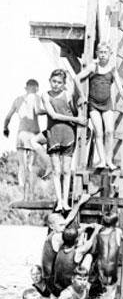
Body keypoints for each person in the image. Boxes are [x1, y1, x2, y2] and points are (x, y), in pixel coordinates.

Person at [30, 69, 86, 212]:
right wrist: (76, 120)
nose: (56, 85)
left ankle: (66, 201)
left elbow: (76, 107)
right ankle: (59, 201)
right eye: (54, 81)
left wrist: (80, 104)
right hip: (53, 134)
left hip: (68, 135)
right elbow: (53, 115)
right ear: (49, 81)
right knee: (56, 170)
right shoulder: (45, 96)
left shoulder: (67, 94)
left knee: (67, 170)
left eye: (59, 82)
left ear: (63, 84)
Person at [76, 42, 123, 170]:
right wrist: (82, 95)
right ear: (97, 54)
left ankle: (109, 160)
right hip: (93, 104)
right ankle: (102, 160)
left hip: (106, 103)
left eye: (105, 52)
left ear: (110, 54)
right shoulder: (93, 67)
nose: (103, 55)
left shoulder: (112, 69)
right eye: (101, 52)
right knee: (98, 132)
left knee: (110, 131)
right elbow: (76, 78)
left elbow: (120, 89)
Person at [39, 193, 91, 292]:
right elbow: (74, 235)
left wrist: (80, 203)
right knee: (85, 254)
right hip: (51, 281)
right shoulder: (57, 237)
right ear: (52, 226)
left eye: (64, 225)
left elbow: (69, 218)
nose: (64, 227)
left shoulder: (57, 230)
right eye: (61, 225)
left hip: (49, 278)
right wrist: (86, 228)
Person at [3, 79, 43, 200]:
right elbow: (38, 111)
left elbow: (7, 117)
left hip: (21, 133)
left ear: (26, 88)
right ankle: (30, 195)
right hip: (33, 134)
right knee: (31, 166)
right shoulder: (37, 97)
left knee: (22, 166)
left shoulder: (18, 100)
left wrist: (5, 128)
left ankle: (24, 196)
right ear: (37, 88)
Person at [51, 226, 98, 298]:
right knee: (89, 256)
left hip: (57, 289)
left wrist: (84, 229)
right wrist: (96, 230)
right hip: (70, 290)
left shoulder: (60, 247)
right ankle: (88, 281)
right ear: (76, 240)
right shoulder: (77, 251)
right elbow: (89, 243)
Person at [96, 212, 123, 290]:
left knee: (102, 287)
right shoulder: (118, 231)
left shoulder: (99, 235)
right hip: (112, 268)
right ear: (116, 223)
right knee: (110, 288)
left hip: (101, 268)